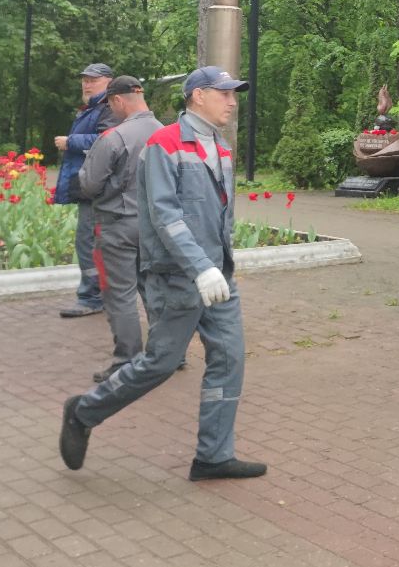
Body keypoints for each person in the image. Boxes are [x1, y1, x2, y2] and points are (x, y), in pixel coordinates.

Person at [59, 66, 267, 481]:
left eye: (234, 94)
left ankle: (213, 456)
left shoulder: (221, 148)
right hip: (178, 277)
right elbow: (165, 213)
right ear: (196, 96)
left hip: (217, 277)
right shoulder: (164, 143)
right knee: (160, 362)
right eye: (222, 93)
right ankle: (83, 411)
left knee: (229, 359)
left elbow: (220, 216)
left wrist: (220, 266)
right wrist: (199, 267)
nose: (232, 101)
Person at [77, 76, 163, 382]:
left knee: (120, 294)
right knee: (153, 290)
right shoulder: (167, 133)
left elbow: (89, 184)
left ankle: (128, 360)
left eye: (110, 104)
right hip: (156, 226)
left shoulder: (115, 136)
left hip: (119, 224)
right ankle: (167, 354)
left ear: (117, 100)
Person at [54, 64, 117, 318]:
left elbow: (108, 141)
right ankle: (104, 295)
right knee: (95, 242)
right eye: (84, 80)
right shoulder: (94, 108)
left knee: (88, 241)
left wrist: (70, 142)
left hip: (97, 187)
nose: (86, 84)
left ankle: (92, 298)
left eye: (93, 80)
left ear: (109, 82)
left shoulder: (108, 108)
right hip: (91, 184)